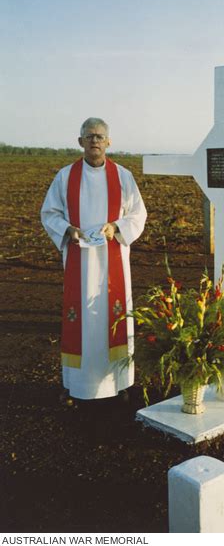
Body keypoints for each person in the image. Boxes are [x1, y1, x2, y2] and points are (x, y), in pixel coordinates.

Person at [41, 118, 147, 403]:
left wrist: (116, 227)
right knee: (82, 322)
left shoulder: (123, 177)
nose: (95, 141)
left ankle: (119, 382)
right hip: (79, 260)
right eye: (89, 137)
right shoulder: (65, 177)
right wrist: (68, 230)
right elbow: (49, 213)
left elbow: (138, 215)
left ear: (109, 141)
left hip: (113, 260)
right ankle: (78, 385)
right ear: (80, 142)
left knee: (114, 316)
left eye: (100, 136)